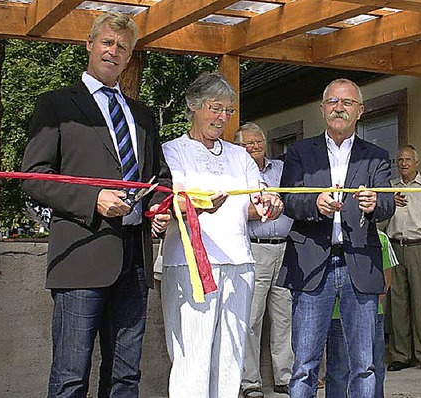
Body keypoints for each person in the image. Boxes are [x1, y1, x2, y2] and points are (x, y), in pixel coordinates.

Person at [21, 12, 172, 397]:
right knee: (71, 375)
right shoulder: (56, 105)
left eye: (122, 47)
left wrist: (159, 205)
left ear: (130, 56)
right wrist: (94, 200)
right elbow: (34, 176)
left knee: (125, 376)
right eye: (107, 42)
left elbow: (159, 176)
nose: (114, 51)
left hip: (135, 257)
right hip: (81, 256)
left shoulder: (142, 114)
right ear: (89, 45)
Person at [160, 72, 283, 398]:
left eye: (228, 111)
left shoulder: (239, 155)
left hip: (239, 262)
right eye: (216, 108)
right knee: (193, 354)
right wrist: (199, 204)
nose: (223, 118)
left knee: (231, 352)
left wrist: (270, 202)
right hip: (191, 265)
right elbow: (173, 200)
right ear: (193, 105)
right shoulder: (172, 151)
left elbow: (255, 204)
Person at [278, 78, 395, 397]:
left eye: (346, 103)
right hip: (312, 264)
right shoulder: (299, 152)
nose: (339, 108)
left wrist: (374, 204)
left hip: (359, 264)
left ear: (360, 110)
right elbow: (288, 200)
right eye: (332, 102)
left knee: (364, 366)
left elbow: (388, 203)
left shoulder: (377, 155)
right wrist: (315, 203)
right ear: (322, 109)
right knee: (304, 366)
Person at [236, 122, 294, 397]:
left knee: (284, 317)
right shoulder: (236, 173)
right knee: (252, 318)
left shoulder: (282, 170)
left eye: (258, 141)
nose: (254, 146)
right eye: (248, 143)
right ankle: (250, 382)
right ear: (238, 147)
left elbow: (295, 200)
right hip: (254, 249)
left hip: (284, 249)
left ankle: (285, 377)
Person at [383, 145, 421, 374]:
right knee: (397, 305)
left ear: (417, 162)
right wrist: (388, 204)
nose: (404, 163)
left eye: (408, 159)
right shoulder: (389, 188)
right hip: (396, 247)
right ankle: (401, 355)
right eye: (400, 160)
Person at [325, 230, 398, 398]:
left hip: (372, 315)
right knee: (339, 369)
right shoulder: (335, 239)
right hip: (339, 316)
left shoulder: (380, 238)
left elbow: (386, 281)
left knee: (372, 368)